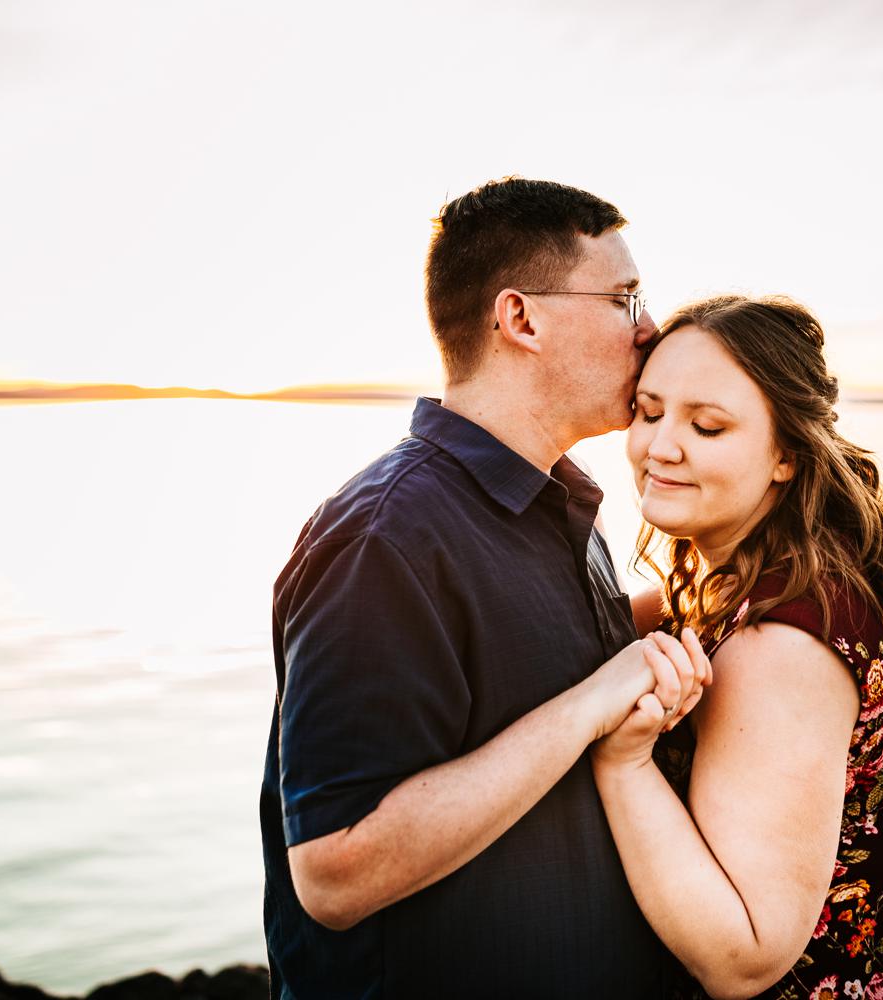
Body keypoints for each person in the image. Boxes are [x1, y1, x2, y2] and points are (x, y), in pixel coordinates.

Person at [258, 177, 710, 999]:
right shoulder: (384, 540)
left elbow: (554, 659)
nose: (651, 330)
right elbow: (334, 873)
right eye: (623, 298)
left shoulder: (554, 498)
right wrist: (590, 709)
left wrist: (739, 594)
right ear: (521, 319)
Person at [594, 295, 883, 999]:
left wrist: (622, 763)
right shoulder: (778, 570)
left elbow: (744, 957)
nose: (661, 446)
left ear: (786, 457)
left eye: (707, 426)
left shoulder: (779, 650)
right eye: (650, 413)